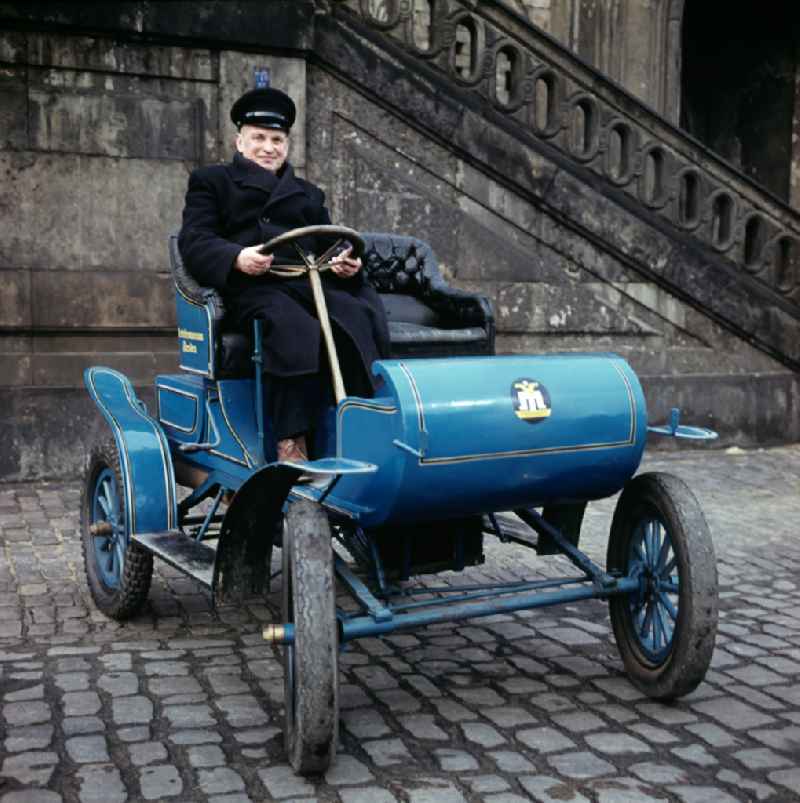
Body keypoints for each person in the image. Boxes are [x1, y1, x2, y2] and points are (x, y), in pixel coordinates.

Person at [178, 87, 391, 462]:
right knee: (293, 326)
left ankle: (364, 426)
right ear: (239, 141)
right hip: (253, 290)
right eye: (258, 138)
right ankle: (291, 443)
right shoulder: (212, 182)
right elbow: (194, 241)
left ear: (287, 146)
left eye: (277, 139)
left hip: (309, 284)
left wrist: (346, 262)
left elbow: (330, 243)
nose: (268, 147)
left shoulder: (309, 194)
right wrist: (237, 257)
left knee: (357, 316)